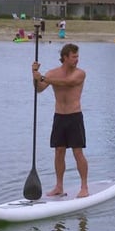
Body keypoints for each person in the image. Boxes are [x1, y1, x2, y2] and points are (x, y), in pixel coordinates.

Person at [31, 43, 89, 198]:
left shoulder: (80, 74)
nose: (77, 59)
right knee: (59, 152)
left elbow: (68, 83)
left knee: (77, 152)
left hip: (74, 116)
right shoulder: (52, 73)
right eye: (74, 57)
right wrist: (35, 74)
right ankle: (59, 186)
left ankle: (84, 186)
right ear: (65, 57)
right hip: (59, 117)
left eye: (77, 56)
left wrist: (43, 77)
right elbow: (39, 89)